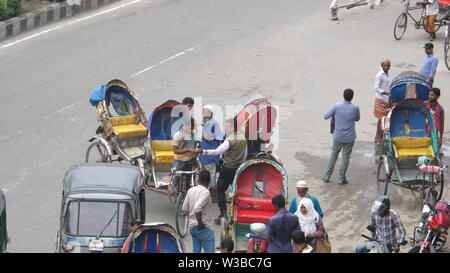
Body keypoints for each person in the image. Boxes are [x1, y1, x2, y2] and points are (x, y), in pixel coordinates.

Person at [196, 118, 247, 224]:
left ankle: (223, 214)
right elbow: (244, 156)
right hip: (237, 168)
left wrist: (203, 151)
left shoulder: (230, 140)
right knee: (234, 191)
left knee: (220, 190)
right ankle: (234, 214)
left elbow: (218, 151)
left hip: (227, 167)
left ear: (233, 127)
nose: (225, 128)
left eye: (227, 126)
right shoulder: (243, 138)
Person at [323, 89, 360, 185]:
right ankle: (341, 178)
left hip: (338, 136)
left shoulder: (337, 106)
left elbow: (326, 116)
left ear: (343, 96)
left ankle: (327, 176)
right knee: (345, 157)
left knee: (334, 155)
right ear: (352, 97)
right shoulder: (355, 108)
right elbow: (357, 119)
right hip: (349, 137)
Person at [181, 170, 215, 253]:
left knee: (196, 251)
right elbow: (197, 208)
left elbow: (184, 208)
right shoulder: (205, 192)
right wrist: (200, 223)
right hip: (204, 227)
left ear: (198, 180)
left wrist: (190, 216)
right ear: (209, 181)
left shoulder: (191, 190)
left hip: (193, 227)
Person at [199, 105, 224, 203]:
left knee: (211, 173)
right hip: (204, 152)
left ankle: (212, 193)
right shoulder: (205, 123)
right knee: (205, 172)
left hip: (211, 152)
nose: (203, 112)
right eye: (203, 111)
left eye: (205, 111)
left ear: (211, 113)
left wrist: (212, 138)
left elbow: (220, 137)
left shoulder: (213, 123)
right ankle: (205, 192)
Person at [171, 118, 197, 193]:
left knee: (189, 179)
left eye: (192, 128)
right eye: (189, 127)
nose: (190, 129)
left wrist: (196, 150)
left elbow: (195, 145)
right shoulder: (178, 135)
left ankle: (188, 194)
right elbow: (175, 151)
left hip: (190, 159)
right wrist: (188, 149)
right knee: (177, 178)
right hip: (179, 160)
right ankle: (176, 192)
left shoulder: (194, 134)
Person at [374, 59, 392, 146]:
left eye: (388, 65)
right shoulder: (379, 75)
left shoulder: (388, 74)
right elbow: (376, 88)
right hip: (381, 99)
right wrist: (386, 92)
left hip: (386, 99)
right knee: (381, 119)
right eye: (385, 65)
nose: (387, 67)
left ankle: (382, 136)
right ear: (382, 66)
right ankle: (378, 138)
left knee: (385, 119)